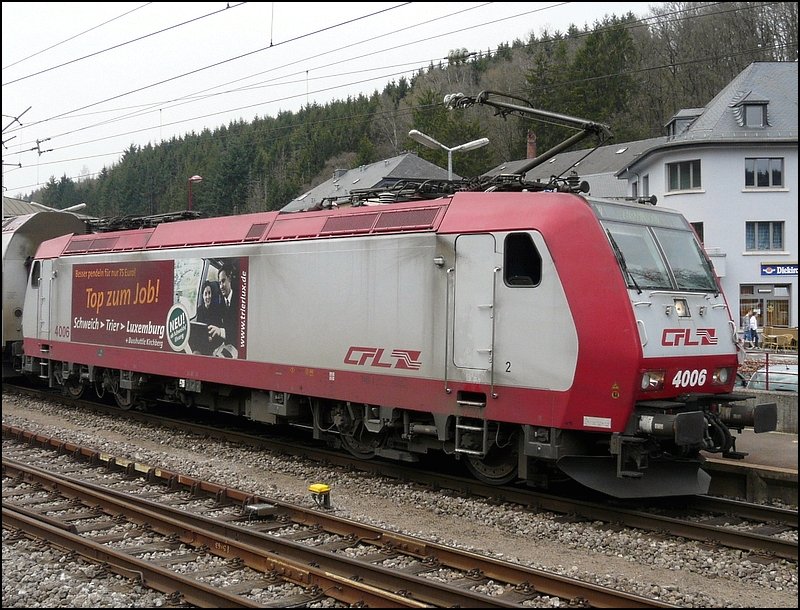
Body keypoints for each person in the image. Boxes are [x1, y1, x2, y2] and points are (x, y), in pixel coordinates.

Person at [208, 262, 238, 353]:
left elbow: (239, 332)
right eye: (219, 282)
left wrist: (220, 332)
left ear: (230, 279)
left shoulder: (240, 300)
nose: (221, 286)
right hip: (226, 345)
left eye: (223, 281)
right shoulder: (220, 302)